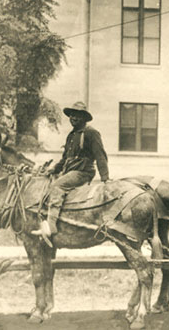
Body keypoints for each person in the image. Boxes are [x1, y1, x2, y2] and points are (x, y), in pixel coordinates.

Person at [31, 101, 109, 247]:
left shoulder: (91, 133)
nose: (73, 118)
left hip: (82, 172)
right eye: (72, 115)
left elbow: (100, 156)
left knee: (57, 186)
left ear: (84, 118)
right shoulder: (71, 136)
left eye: (77, 115)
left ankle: (51, 226)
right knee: (46, 185)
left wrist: (105, 178)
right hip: (70, 171)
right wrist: (53, 169)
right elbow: (65, 159)